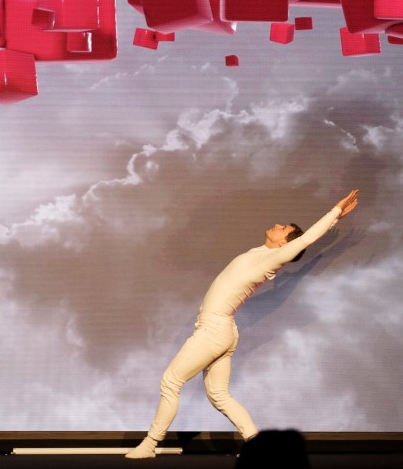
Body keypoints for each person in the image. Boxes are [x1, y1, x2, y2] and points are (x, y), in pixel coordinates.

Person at [125, 189, 360, 459]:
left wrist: (335, 212)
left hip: (214, 330)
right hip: (220, 330)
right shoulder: (261, 253)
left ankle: (150, 444)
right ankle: (258, 447)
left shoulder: (272, 258)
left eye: (283, 228)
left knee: (170, 381)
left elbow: (306, 239)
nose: (277, 224)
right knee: (219, 395)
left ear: (285, 243)